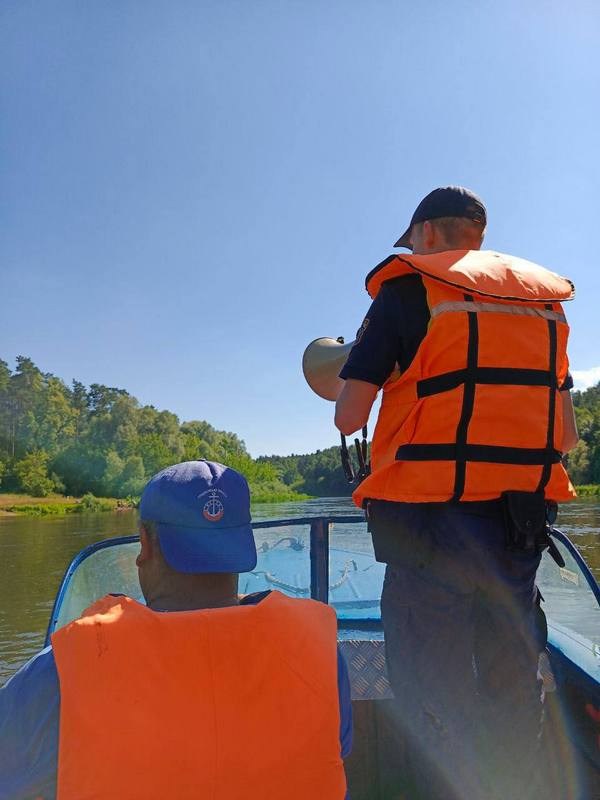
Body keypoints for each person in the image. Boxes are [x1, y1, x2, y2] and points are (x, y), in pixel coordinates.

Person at [335, 186, 578, 800]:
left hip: (428, 532)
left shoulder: (407, 289)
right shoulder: (545, 309)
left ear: (429, 235)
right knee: (511, 688)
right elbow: (567, 436)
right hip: (517, 535)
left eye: (411, 239)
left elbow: (348, 416)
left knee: (433, 694)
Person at [0, 460, 352, 800]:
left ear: (145, 545)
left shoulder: (63, 669)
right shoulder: (318, 650)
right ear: (245, 548)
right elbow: (337, 748)